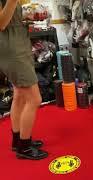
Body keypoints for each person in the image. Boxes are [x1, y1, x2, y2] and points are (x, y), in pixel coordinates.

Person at [0, 0, 47, 160]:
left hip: (20, 45)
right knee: (34, 99)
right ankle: (24, 148)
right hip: (13, 51)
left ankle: (18, 141)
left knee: (19, 95)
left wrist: (31, 16)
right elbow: (1, 23)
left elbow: (14, 18)